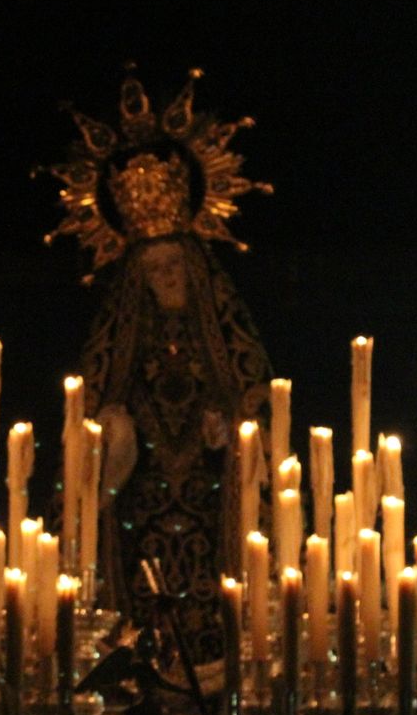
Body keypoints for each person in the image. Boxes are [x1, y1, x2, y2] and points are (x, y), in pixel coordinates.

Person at [46, 71, 274, 662]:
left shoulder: (221, 334)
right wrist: (110, 427)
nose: (164, 281)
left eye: (173, 269)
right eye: (152, 274)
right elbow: (93, 408)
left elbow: (250, 393)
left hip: (206, 496)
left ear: (195, 271)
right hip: (140, 498)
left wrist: (230, 425)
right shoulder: (123, 335)